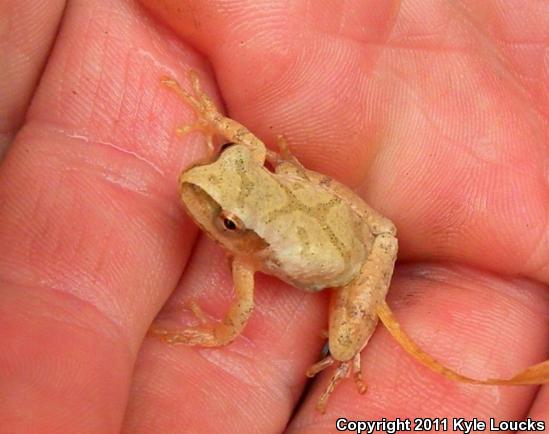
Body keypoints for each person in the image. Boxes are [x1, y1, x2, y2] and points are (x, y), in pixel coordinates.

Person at [0, 0, 547, 432]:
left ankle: (348, 354)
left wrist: (211, 333)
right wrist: (213, 122)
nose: (197, 189)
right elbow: (249, 147)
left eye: (227, 224)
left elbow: (234, 323)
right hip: (354, 219)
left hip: (348, 262)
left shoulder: (247, 263)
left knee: (350, 304)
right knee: (331, 201)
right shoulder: (244, 221)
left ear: (244, 239)